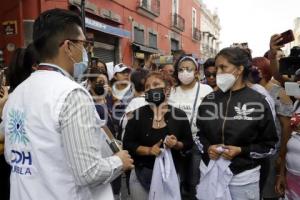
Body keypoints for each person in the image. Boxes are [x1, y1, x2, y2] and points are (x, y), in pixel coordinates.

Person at [1, 9, 134, 200]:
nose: (86, 52)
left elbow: (12, 155)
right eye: (83, 44)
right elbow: (89, 173)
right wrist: (119, 161)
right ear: (68, 46)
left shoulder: (17, 93)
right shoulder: (71, 94)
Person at [196, 47, 278, 200]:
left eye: (223, 67)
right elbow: (199, 135)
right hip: (210, 173)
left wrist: (241, 150)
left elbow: (270, 145)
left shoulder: (259, 101)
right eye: (216, 68)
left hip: (243, 179)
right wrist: (208, 148)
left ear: (239, 69)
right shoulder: (210, 99)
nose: (217, 72)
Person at [123, 72, 193, 200]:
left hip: (170, 177)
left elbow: (188, 143)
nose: (151, 89)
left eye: (155, 85)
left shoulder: (179, 115)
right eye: (147, 87)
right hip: (141, 176)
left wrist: (176, 144)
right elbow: (128, 144)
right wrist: (148, 150)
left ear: (167, 89)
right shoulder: (137, 115)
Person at [169, 55, 213, 199]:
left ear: (196, 72)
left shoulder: (206, 90)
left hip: (197, 141)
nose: (184, 72)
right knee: (176, 179)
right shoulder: (172, 91)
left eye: (188, 69)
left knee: (194, 180)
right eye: (181, 69)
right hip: (176, 142)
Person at [276, 70, 300, 199]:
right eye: (297, 80)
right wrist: (281, 174)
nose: (298, 83)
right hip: (291, 173)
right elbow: (288, 140)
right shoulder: (296, 104)